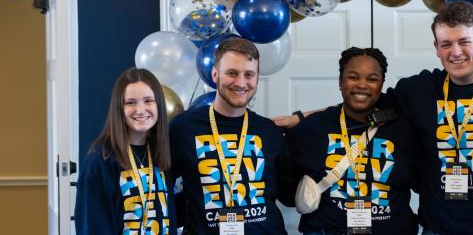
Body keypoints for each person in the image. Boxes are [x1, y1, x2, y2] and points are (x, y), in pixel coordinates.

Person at [276, 1, 473, 234]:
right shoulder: (418, 90)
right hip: (439, 227)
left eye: (464, 41)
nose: (455, 52)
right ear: (436, 48)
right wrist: (301, 118)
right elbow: (359, 103)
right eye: (446, 44)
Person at [169, 37, 296, 234]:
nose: (241, 82)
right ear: (214, 74)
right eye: (232, 73)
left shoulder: (269, 131)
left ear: (257, 77)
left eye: (249, 74)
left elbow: (289, 196)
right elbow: (159, 190)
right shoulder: (183, 128)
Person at [285, 47, 419, 234]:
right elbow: (286, 187)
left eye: (372, 79)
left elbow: (423, 182)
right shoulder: (312, 128)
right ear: (340, 82)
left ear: (381, 85)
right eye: (353, 77)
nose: (362, 85)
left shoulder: (404, 130)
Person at [75, 68, 177, 235]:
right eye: (130, 102)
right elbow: (91, 227)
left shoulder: (161, 153)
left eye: (148, 100)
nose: (140, 109)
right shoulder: (101, 160)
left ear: (159, 104)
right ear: (119, 109)